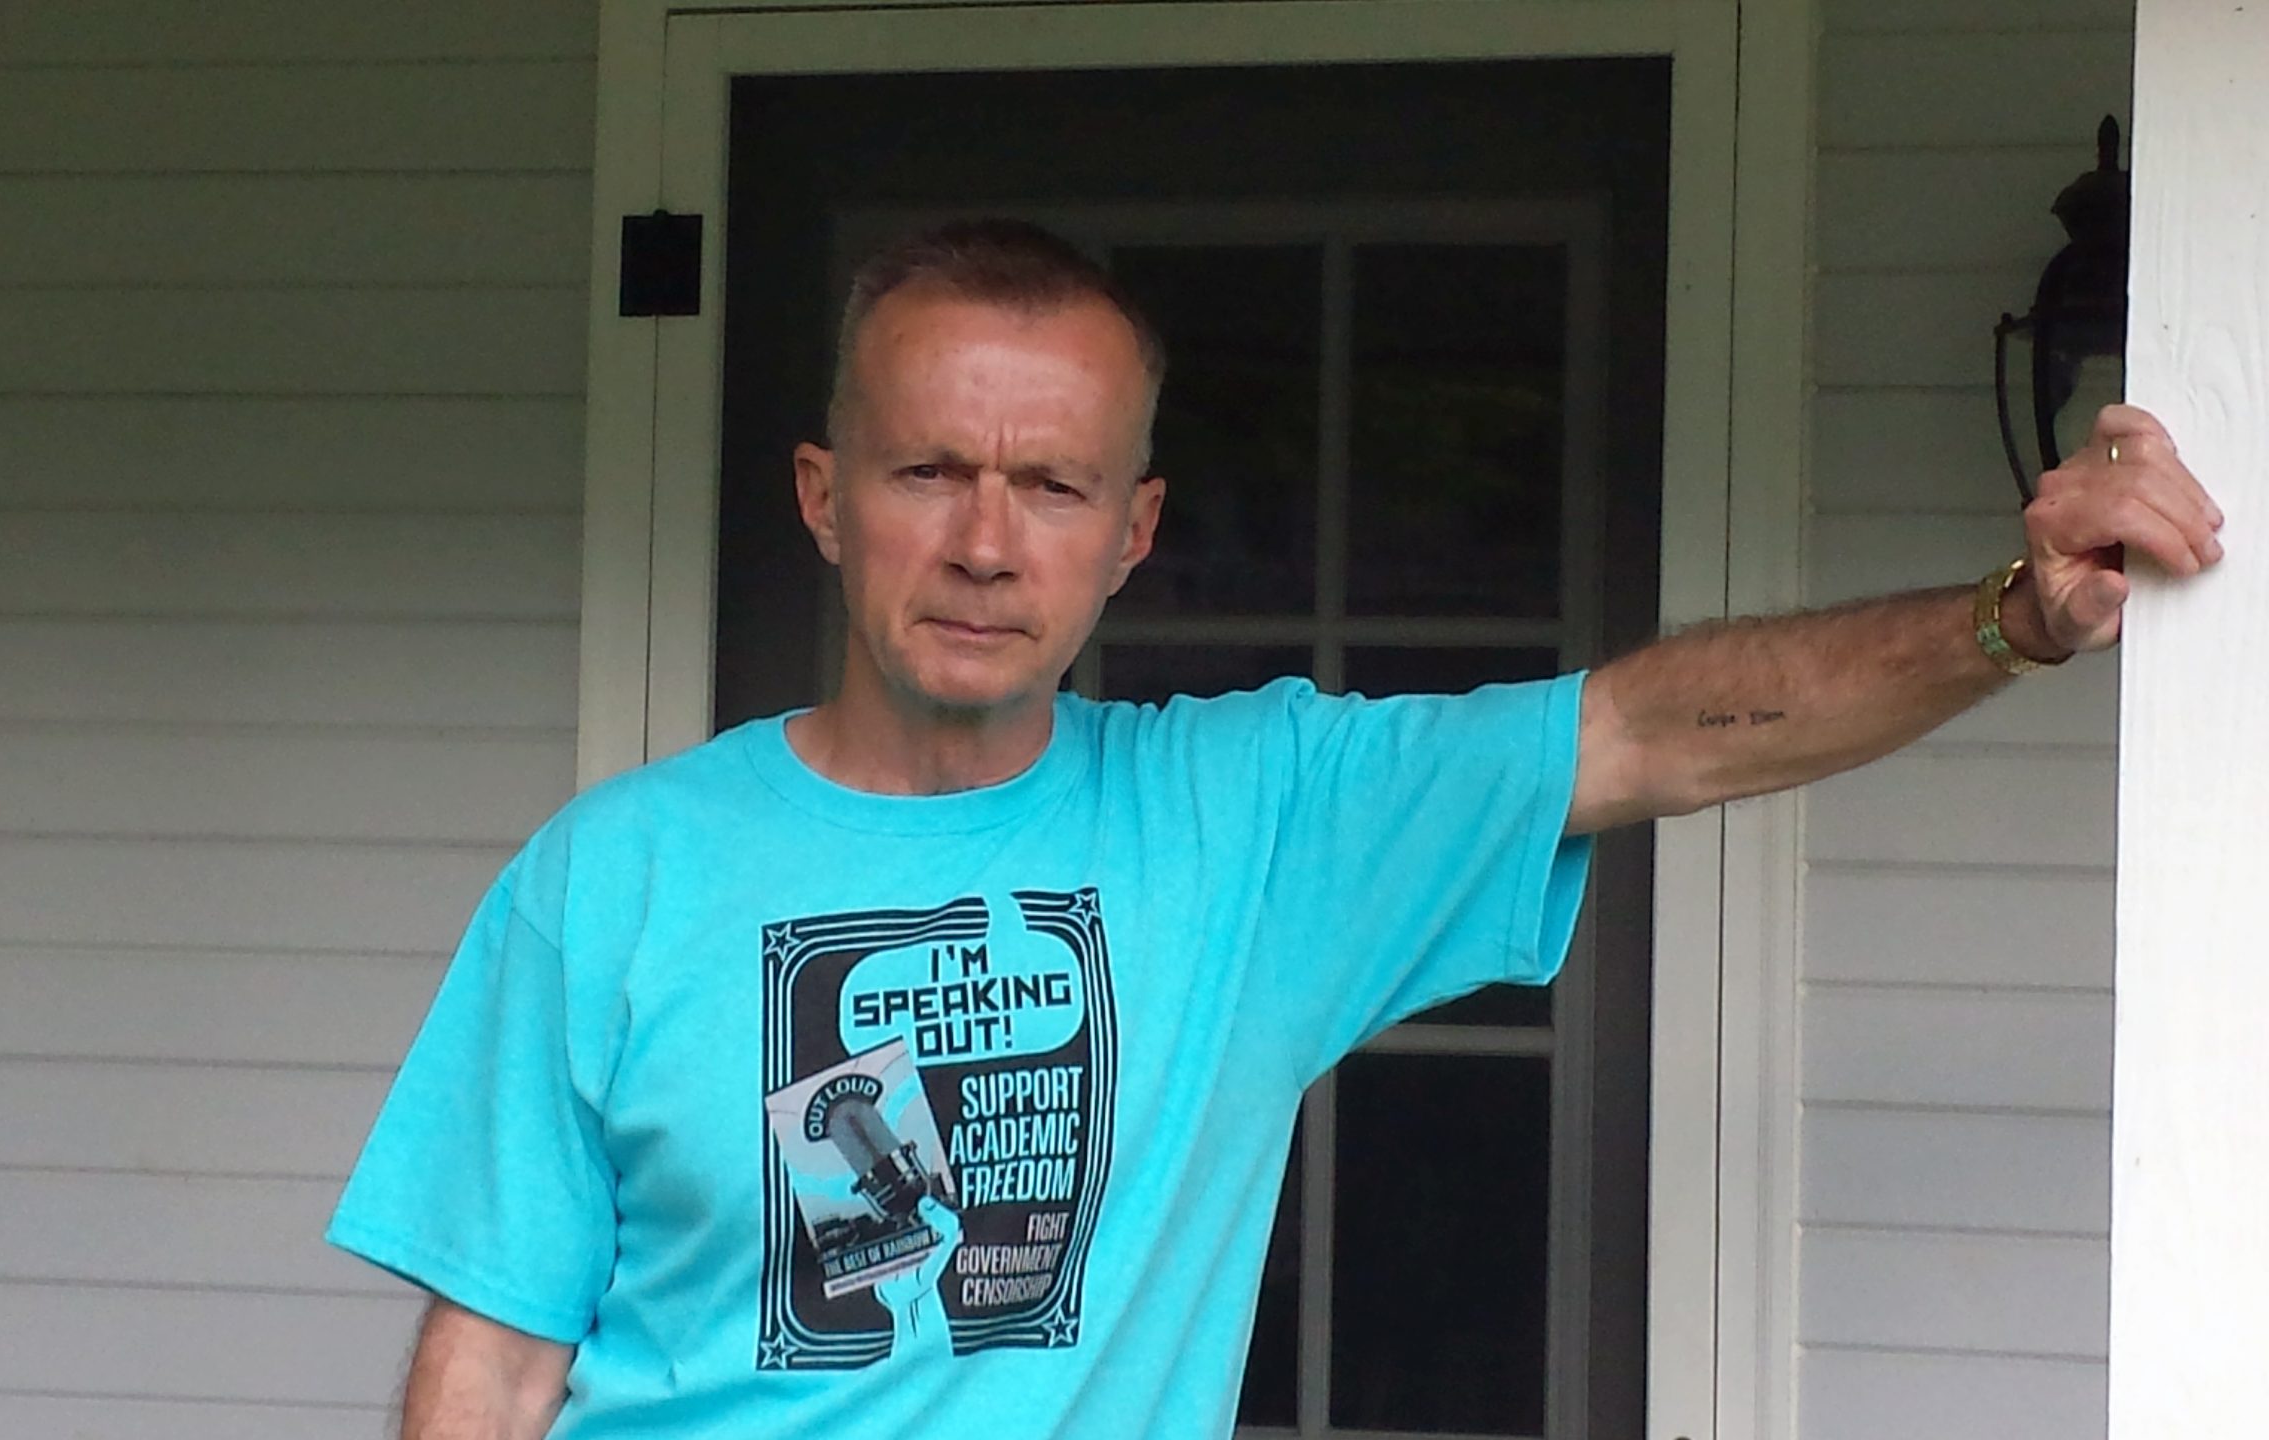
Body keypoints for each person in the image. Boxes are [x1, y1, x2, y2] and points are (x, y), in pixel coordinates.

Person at [328, 219, 2224, 1439]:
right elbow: (489, 1365)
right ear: (826, 497)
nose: (988, 542)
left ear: (1132, 532)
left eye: (1054, 486)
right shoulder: (617, 876)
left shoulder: (1252, 823)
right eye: (930, 472)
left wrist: (2015, 617)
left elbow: (1663, 731)